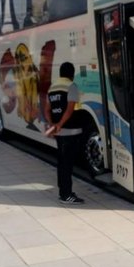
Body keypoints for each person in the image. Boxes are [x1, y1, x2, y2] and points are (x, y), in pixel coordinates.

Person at [44, 62, 85, 204]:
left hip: (60, 134)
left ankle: (64, 192)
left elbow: (47, 110)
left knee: (62, 163)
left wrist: (53, 125)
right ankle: (66, 195)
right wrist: (60, 124)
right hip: (71, 132)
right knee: (67, 164)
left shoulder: (53, 87)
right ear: (72, 74)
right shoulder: (71, 86)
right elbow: (70, 109)